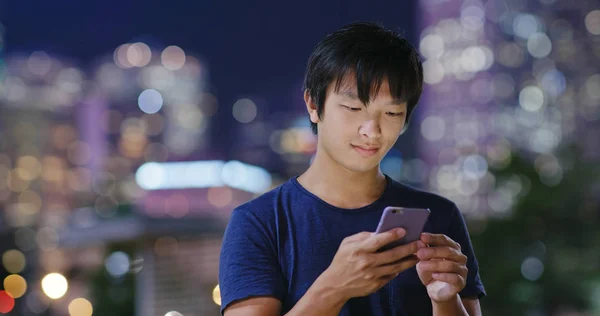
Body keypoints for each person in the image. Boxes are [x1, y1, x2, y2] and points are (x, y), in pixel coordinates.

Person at [218, 22, 486, 316]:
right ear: (313, 104)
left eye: (392, 113)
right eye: (353, 109)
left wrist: (445, 300)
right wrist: (335, 287)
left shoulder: (439, 216)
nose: (372, 131)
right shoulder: (259, 223)